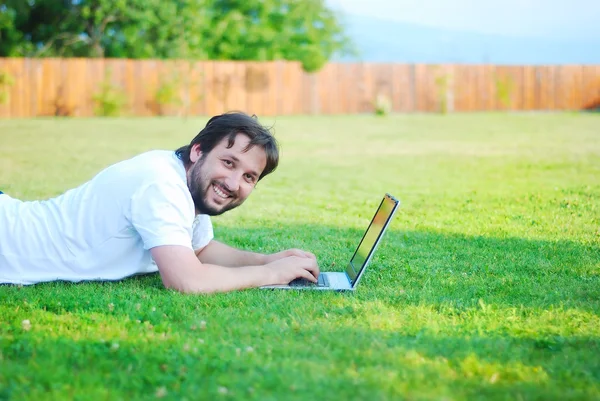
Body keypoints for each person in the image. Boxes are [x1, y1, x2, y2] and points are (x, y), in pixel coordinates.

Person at [0, 112, 320, 293]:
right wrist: (272, 274)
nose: (234, 183)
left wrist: (266, 260)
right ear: (198, 151)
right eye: (229, 162)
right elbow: (187, 280)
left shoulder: (184, 182)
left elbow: (200, 249)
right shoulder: (161, 184)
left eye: (250, 177)